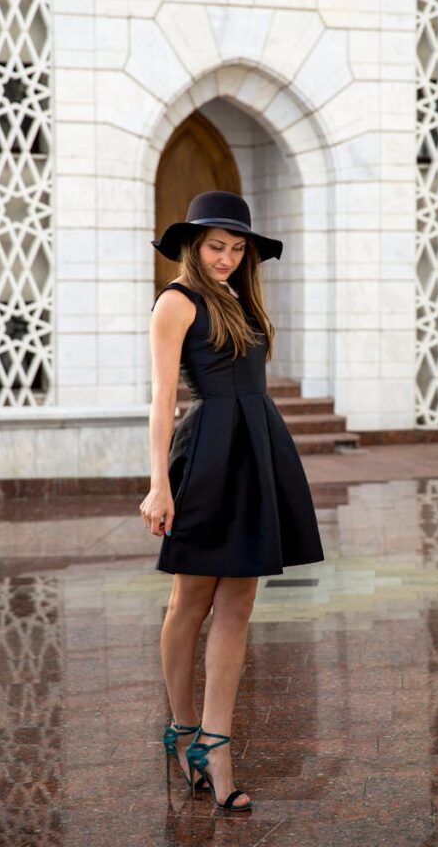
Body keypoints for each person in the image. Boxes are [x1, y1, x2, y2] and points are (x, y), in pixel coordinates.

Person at [139, 190, 324, 813]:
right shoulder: (175, 300)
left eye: (237, 247)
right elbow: (163, 397)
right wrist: (159, 482)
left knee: (240, 600)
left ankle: (217, 749)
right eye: (216, 246)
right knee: (191, 596)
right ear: (193, 245)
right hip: (209, 451)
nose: (226, 257)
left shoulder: (242, 298)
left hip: (256, 447)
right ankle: (184, 728)